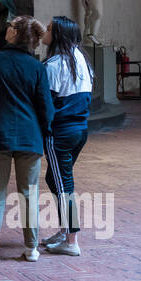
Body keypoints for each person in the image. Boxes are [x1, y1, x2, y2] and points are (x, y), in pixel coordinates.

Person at [0, 14, 53, 262]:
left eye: (10, 26)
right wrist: (43, 131)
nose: (6, 28)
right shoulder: (37, 68)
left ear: (14, 33)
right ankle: (31, 248)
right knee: (28, 193)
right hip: (30, 137)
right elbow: (46, 108)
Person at [39, 16, 94, 255]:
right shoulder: (81, 59)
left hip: (60, 133)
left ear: (58, 35)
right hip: (80, 130)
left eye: (49, 29)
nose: (45, 31)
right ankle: (64, 232)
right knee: (55, 179)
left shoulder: (53, 65)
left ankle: (71, 242)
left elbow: (46, 103)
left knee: (64, 186)